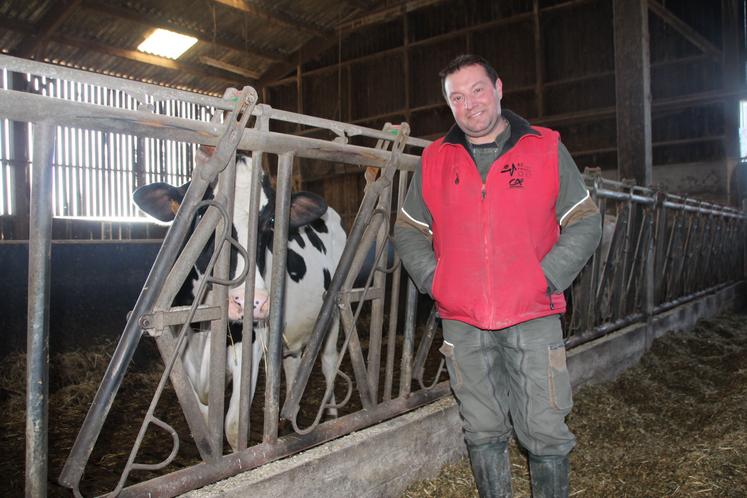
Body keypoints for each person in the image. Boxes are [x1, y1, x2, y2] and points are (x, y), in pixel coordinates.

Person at [393, 54, 601, 498]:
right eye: (457, 97)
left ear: (499, 88)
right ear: (449, 106)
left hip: (532, 312)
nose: (470, 104)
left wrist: (546, 277)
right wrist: (436, 281)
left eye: (477, 90)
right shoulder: (434, 159)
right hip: (463, 320)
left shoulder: (543, 147)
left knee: (544, 426)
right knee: (482, 427)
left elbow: (584, 220)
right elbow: (409, 230)